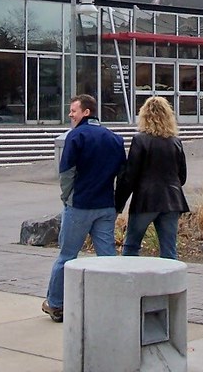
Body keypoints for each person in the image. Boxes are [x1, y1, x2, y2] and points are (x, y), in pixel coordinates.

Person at [42, 94, 125, 322]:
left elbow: (66, 172)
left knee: (67, 256)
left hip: (79, 205)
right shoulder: (115, 139)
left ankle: (55, 303)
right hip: (105, 205)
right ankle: (115, 302)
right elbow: (123, 174)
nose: (70, 115)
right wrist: (117, 203)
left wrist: (66, 197)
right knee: (107, 257)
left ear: (86, 112)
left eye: (73, 111)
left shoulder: (76, 136)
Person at [115, 96, 189, 259]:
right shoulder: (175, 141)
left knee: (131, 247)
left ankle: (130, 275)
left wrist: (118, 204)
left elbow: (130, 176)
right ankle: (170, 276)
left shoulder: (140, 140)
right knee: (169, 250)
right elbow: (182, 176)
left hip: (145, 200)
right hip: (172, 200)